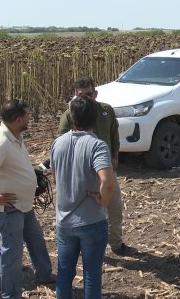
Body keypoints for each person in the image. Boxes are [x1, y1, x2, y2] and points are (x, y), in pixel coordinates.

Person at [0, 99, 55, 299]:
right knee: (12, 255)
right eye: (27, 115)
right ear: (19, 119)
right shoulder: (1, 142)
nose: (30, 118)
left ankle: (44, 275)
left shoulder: (15, 136)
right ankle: (10, 295)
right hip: (9, 210)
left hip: (23, 206)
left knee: (36, 240)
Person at [57, 77, 137, 256]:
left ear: (95, 93)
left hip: (106, 171)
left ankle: (116, 245)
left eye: (89, 94)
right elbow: (61, 140)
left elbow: (114, 134)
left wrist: (115, 155)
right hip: (83, 173)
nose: (85, 98)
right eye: (81, 95)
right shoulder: (71, 114)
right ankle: (86, 249)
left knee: (114, 208)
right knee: (85, 215)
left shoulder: (106, 111)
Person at [51, 95, 115, 298]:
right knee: (91, 275)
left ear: (71, 117)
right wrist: (103, 200)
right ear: (95, 117)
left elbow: (55, 176)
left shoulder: (57, 143)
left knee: (64, 274)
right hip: (91, 221)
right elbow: (107, 180)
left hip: (64, 222)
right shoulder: (97, 145)